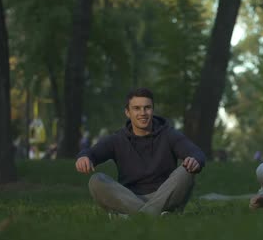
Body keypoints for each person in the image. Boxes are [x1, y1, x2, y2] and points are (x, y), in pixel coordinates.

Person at [75, 88, 206, 217]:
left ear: (152, 110)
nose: (142, 113)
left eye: (147, 107)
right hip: (129, 198)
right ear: (127, 112)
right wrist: (84, 157)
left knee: (187, 171)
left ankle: (134, 216)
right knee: (96, 180)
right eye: (136, 108)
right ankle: (155, 215)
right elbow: (92, 153)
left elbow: (196, 152)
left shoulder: (169, 134)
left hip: (165, 195)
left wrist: (195, 160)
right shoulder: (117, 139)